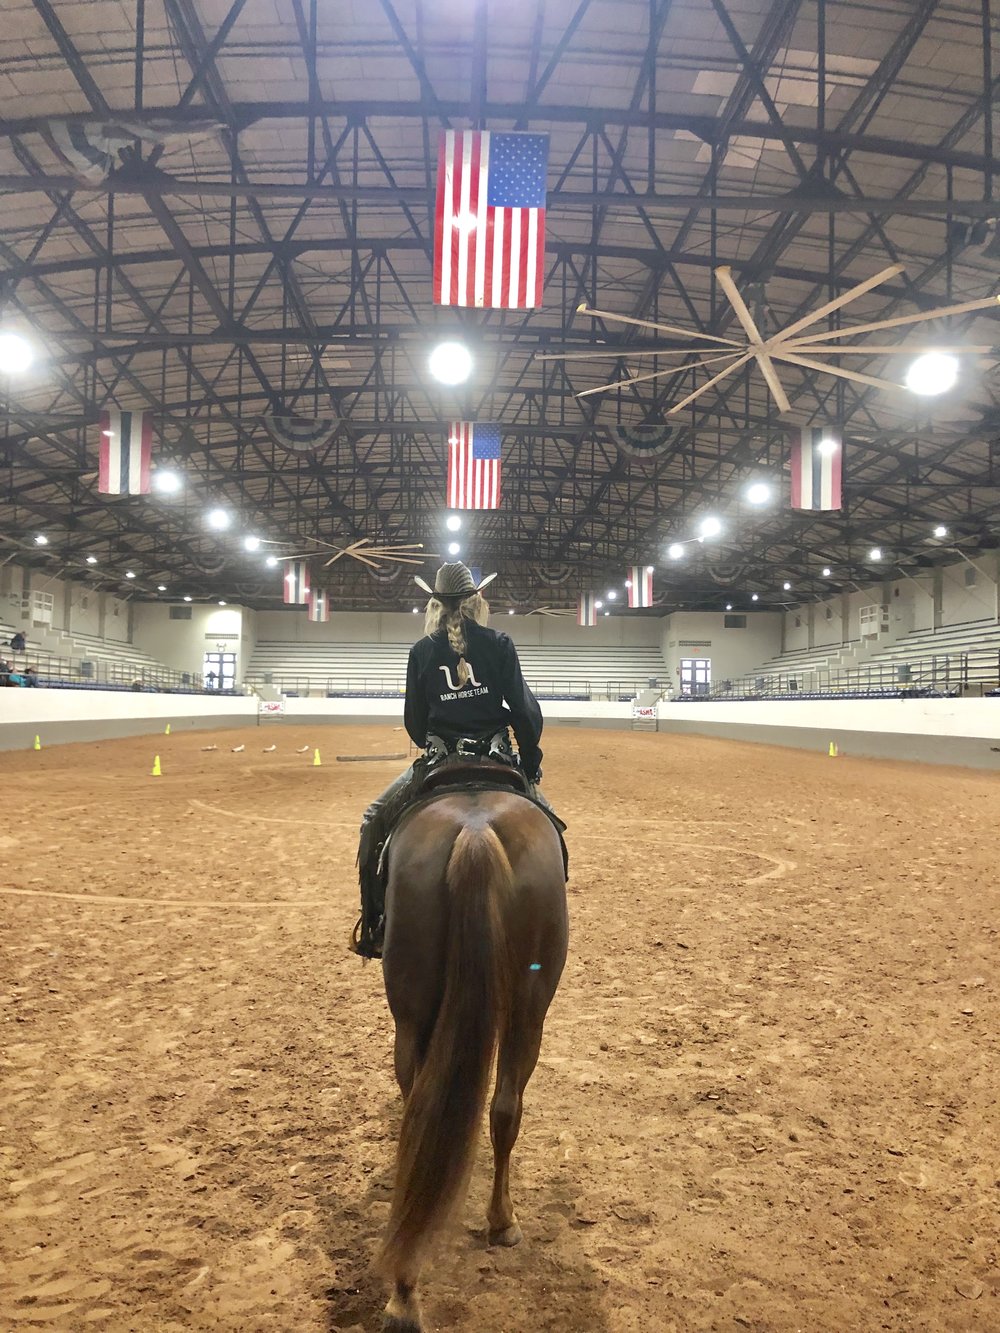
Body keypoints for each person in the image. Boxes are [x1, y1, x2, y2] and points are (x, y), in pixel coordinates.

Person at [351, 562, 546, 959]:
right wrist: (529, 761)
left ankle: (374, 924)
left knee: (374, 820)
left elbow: (414, 722)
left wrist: (434, 738)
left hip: (443, 757)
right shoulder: (499, 643)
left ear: (436, 605)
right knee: (550, 829)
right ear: (476, 601)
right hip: (497, 753)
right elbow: (526, 713)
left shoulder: (422, 652)